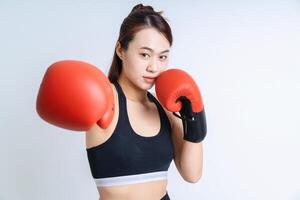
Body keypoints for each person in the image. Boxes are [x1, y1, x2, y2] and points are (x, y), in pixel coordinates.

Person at [36, 3, 207, 200]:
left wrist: (195, 118)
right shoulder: (104, 100)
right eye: (145, 54)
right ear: (120, 49)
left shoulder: (166, 108)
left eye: (162, 57)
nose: (154, 67)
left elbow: (192, 174)